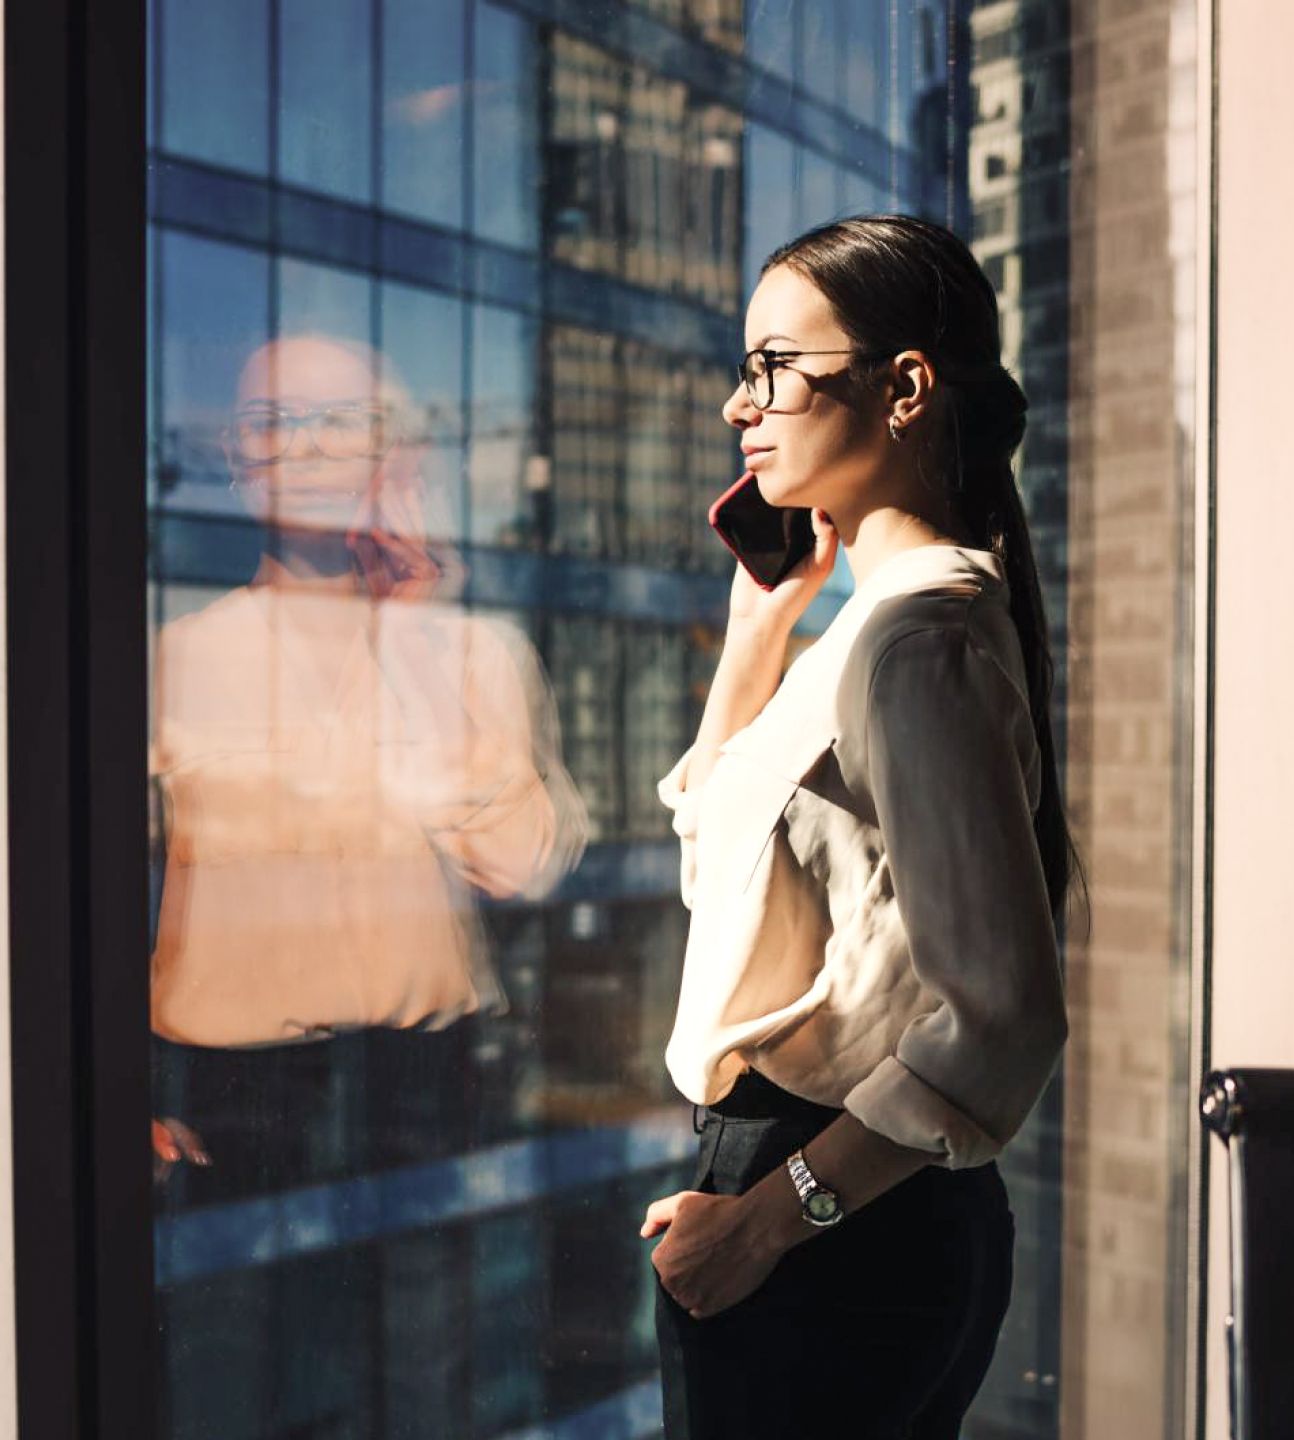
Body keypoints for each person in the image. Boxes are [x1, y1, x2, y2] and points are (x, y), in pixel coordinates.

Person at [639, 215, 1076, 1439]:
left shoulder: (915, 639)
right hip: (836, 1202)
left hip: (838, 1215)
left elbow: (1002, 1018)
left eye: (774, 365)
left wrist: (773, 1221)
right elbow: (713, 878)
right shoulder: (875, 628)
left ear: (906, 388)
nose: (742, 405)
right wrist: (757, 633)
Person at [149, 332, 587, 1186]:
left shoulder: (474, 657)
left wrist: (412, 639)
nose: (306, 445)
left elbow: (524, 868)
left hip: (428, 1094)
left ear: (396, 459)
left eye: (340, 421)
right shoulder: (170, 660)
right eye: (273, 422)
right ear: (237, 457)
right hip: (220, 1102)